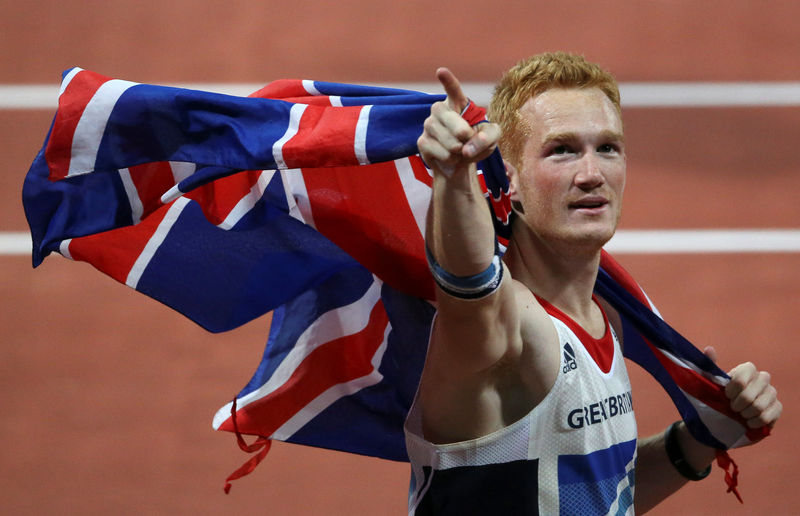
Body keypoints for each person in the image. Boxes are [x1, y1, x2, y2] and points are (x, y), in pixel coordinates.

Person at [403, 52, 782, 514]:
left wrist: (701, 439)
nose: (591, 174)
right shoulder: (511, 330)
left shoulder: (608, 315)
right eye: (561, 150)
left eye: (607, 148)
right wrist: (454, 174)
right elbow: (467, 284)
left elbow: (597, 493)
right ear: (510, 179)